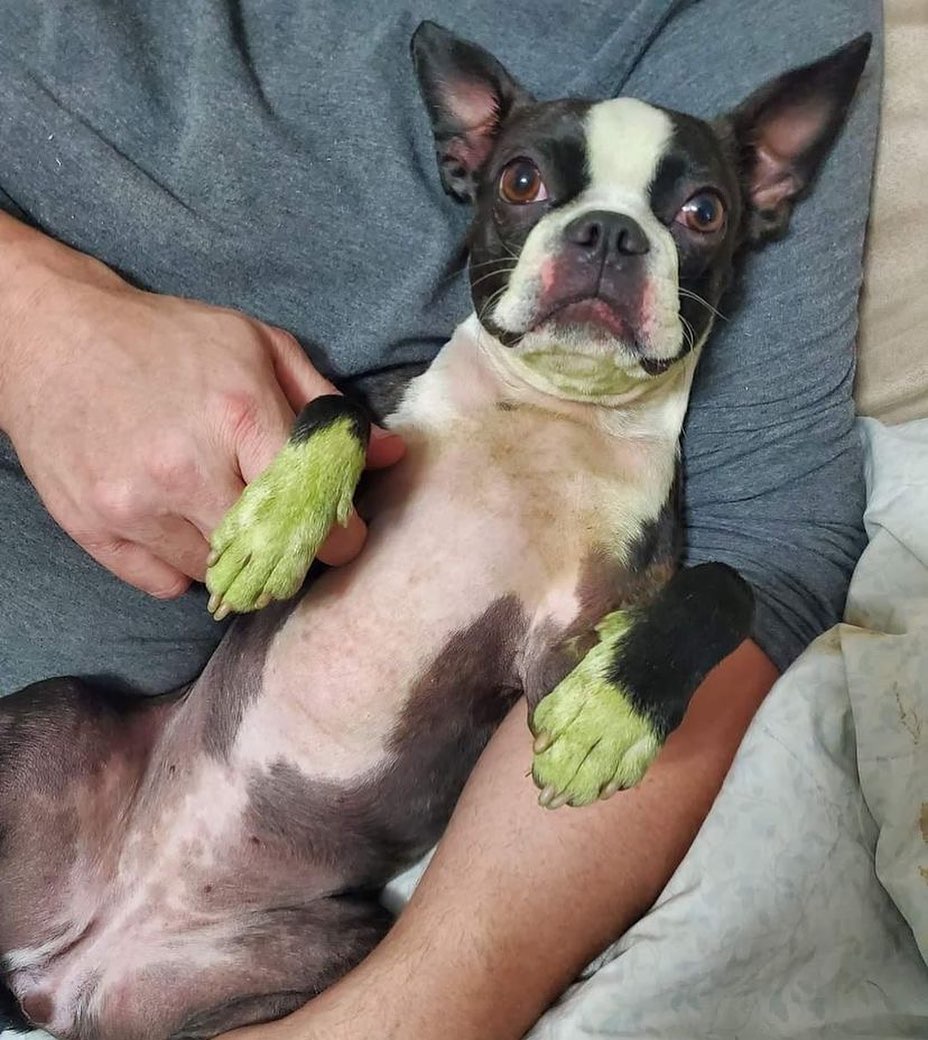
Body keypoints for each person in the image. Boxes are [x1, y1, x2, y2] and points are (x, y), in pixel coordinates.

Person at [0, 1, 881, 1037]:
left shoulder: (632, 519)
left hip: (264, 935)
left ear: (762, 199)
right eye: (528, 184)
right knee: (57, 729)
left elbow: (722, 594)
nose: (604, 241)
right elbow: (336, 455)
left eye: (694, 212)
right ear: (469, 160)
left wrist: (702, 616)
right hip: (84, 796)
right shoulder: (412, 414)